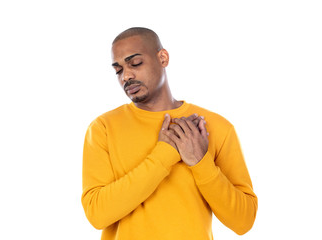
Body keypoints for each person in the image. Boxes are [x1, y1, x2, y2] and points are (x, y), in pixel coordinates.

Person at [81, 27, 258, 240]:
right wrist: (164, 154)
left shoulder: (215, 126)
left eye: (135, 63)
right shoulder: (103, 128)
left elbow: (243, 221)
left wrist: (200, 162)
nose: (126, 76)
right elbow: (97, 215)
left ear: (163, 57)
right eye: (118, 70)